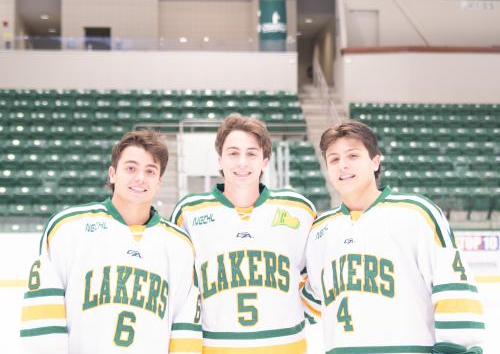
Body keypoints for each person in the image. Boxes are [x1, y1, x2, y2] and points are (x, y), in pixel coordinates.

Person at [302, 121, 485, 354]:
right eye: (334, 159)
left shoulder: (417, 213)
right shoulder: (320, 230)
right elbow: (312, 300)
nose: (343, 165)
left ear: (375, 161)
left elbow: (455, 289)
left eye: (353, 155)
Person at [20, 130, 202, 354]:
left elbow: (185, 329)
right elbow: (42, 320)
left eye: (150, 171)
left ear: (159, 181)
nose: (140, 178)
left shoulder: (179, 245)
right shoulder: (68, 228)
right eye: (131, 168)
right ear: (113, 174)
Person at [171, 114, 317, 353]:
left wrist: (300, 311)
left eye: (251, 154)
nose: (242, 162)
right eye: (233, 153)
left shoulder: (299, 210)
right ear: (219, 160)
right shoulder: (188, 213)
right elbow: (180, 290)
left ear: (265, 161)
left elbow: (319, 273)